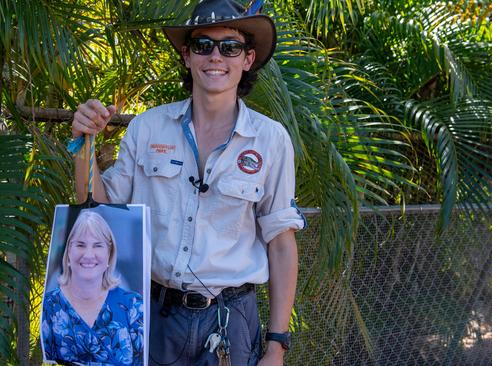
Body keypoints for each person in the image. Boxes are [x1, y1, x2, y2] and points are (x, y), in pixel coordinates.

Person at [71, 0, 306, 364]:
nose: (216, 56)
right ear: (186, 55)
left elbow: (281, 243)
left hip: (232, 320)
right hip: (154, 315)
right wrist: (84, 144)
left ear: (247, 58)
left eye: (229, 47)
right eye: (203, 45)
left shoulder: (271, 139)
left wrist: (276, 345)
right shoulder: (147, 127)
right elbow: (100, 212)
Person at [41, 210, 144, 366]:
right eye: (80, 245)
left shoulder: (133, 305)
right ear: (68, 252)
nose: (89, 255)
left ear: (110, 254)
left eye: (97, 245)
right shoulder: (49, 306)